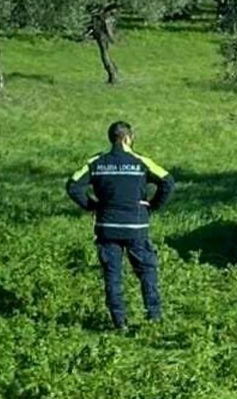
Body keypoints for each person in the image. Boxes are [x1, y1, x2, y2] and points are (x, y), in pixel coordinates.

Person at [66, 121, 175, 331]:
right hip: (137, 227)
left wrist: (92, 206)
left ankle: (119, 323)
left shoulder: (96, 162)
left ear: (111, 138)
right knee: (147, 271)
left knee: (113, 275)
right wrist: (152, 206)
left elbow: (72, 186)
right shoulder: (141, 161)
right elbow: (168, 182)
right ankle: (154, 319)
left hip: (107, 227)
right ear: (127, 138)